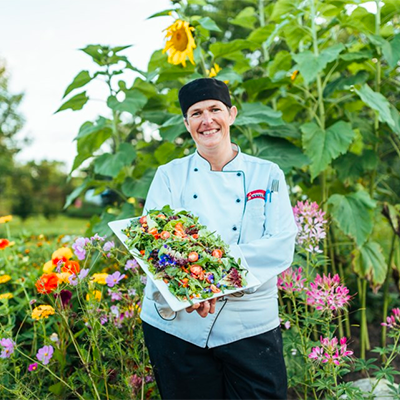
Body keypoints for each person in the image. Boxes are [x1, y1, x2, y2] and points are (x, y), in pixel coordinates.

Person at [140, 78, 298, 400]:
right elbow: (153, 242)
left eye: (215, 109)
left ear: (232, 114)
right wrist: (193, 288)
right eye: (196, 113)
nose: (207, 120)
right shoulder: (169, 175)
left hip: (248, 324)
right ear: (187, 123)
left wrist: (208, 280)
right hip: (180, 323)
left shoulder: (267, 174)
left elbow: (280, 243)